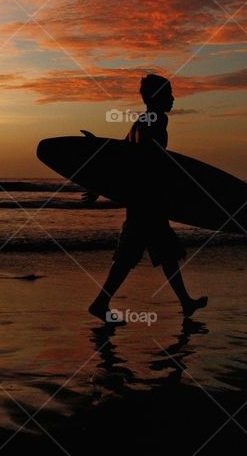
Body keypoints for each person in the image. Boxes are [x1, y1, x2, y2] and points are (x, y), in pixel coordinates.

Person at [87, 74, 207, 323]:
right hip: (148, 202)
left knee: (164, 253)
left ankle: (185, 302)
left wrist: (98, 177)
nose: (173, 98)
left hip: (144, 201)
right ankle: (100, 303)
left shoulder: (140, 122)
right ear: (155, 96)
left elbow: (122, 157)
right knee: (133, 257)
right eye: (169, 93)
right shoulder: (156, 121)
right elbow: (147, 160)